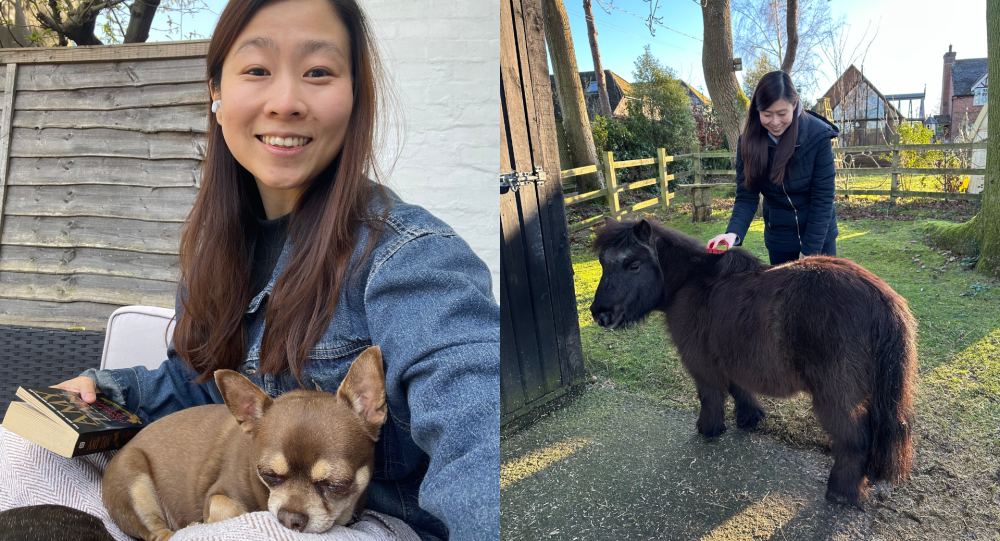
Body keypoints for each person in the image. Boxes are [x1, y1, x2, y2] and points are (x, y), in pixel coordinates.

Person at [0, 0, 499, 540]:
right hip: (247, 486)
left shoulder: (411, 259)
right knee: (20, 446)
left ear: (355, 97)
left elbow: (479, 427)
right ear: (216, 92)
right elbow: (200, 385)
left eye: (318, 72)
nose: (285, 102)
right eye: (257, 70)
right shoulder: (215, 248)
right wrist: (105, 393)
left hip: (371, 521)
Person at [707, 71, 840, 264]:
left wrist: (811, 252)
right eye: (767, 114)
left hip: (820, 237)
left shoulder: (818, 135)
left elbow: (823, 198)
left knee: (821, 293)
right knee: (782, 294)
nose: (775, 122)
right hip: (780, 239)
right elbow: (746, 197)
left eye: (782, 113)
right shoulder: (747, 143)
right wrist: (732, 233)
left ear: (794, 103)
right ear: (757, 110)